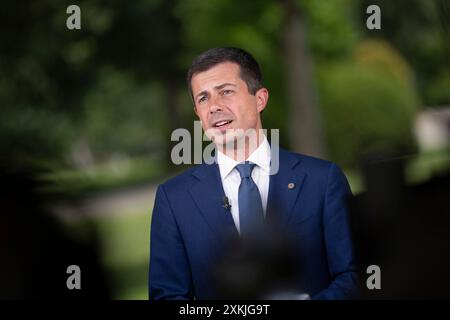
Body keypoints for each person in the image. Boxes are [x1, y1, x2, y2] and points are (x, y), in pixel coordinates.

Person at [149, 47, 358, 299]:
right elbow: (167, 296)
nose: (214, 106)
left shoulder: (323, 181)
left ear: (260, 99)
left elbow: (354, 275)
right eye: (203, 98)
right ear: (198, 114)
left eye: (226, 92)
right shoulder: (173, 200)